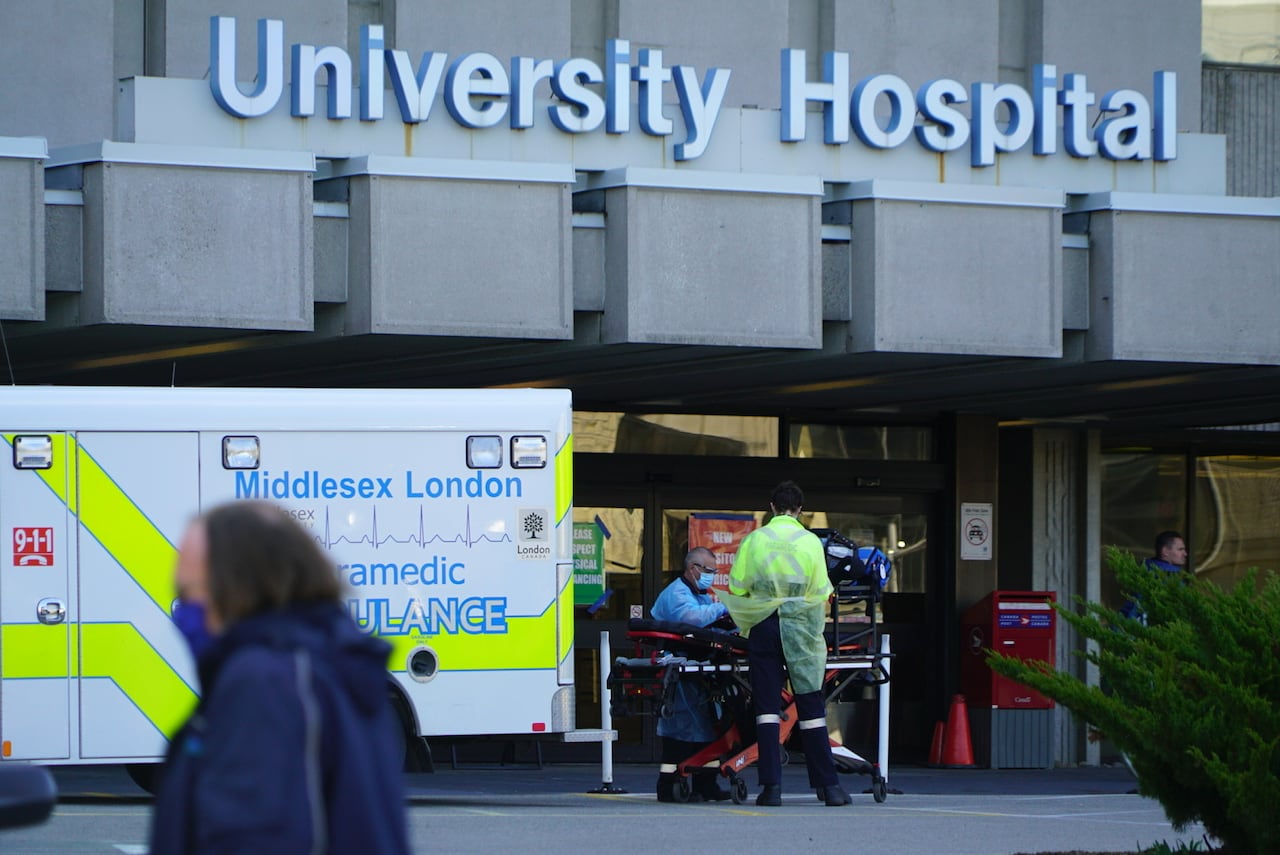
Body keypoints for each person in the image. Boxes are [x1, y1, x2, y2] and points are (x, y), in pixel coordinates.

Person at [149, 500, 411, 855]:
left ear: (240, 587)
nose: (184, 613)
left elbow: (254, 838)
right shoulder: (332, 664)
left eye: (190, 593)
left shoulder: (264, 680)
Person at [722, 481, 850, 807]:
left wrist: (763, 599)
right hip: (801, 630)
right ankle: (829, 788)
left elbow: (737, 587)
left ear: (771, 506)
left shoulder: (755, 540)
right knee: (810, 708)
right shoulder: (809, 542)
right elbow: (822, 591)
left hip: (764, 627)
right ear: (800, 510)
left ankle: (771, 790)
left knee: (766, 709)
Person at [650, 546, 733, 802]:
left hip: (696, 669)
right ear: (693, 568)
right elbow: (692, 620)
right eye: (709, 571)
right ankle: (669, 785)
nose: (711, 576)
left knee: (706, 728)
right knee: (682, 731)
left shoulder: (698, 594)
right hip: (680, 669)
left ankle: (705, 785)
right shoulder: (677, 594)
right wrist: (725, 608)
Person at [1120, 530, 1188, 622]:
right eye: (1180, 549)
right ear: (1165, 552)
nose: (1185, 554)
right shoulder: (1168, 578)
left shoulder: (1146, 572)